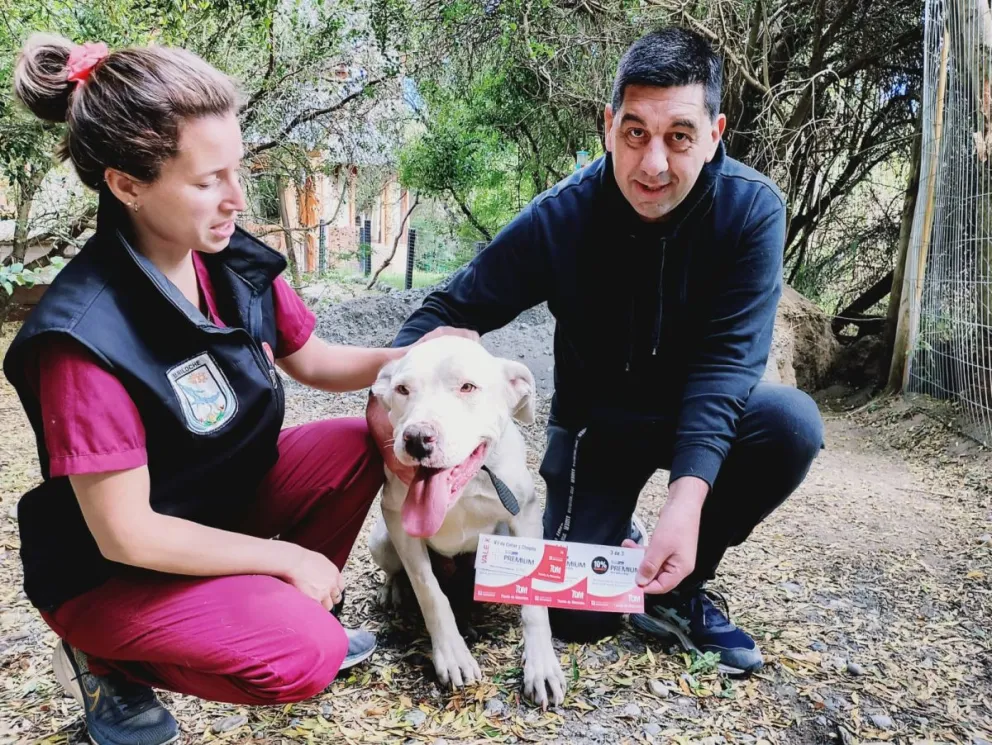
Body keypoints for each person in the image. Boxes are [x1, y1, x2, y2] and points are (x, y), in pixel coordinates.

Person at [368, 26, 824, 675]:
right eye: (635, 133)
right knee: (577, 618)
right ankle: (615, 534)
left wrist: (686, 502)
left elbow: (728, 366)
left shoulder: (751, 212)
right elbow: (447, 310)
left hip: (701, 415)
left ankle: (678, 591)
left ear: (714, 134)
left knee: (790, 423)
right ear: (609, 127)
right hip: (596, 427)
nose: (653, 164)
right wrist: (394, 408)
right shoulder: (562, 217)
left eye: (679, 137)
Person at [2, 35, 408, 745]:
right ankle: (105, 661)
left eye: (236, 170)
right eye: (206, 181)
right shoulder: (82, 338)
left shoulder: (223, 257)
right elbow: (128, 533)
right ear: (126, 185)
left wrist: (421, 359)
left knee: (354, 444)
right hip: (108, 571)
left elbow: (314, 360)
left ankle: (268, 609)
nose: (236, 199)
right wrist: (286, 558)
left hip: (208, 506)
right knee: (303, 654)